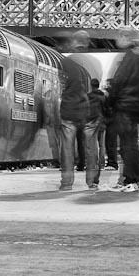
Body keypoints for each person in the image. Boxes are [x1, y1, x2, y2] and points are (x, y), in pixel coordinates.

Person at [106, 28, 139, 192]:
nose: (117, 39)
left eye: (118, 35)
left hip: (125, 106)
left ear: (125, 37)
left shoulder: (129, 57)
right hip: (136, 107)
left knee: (127, 146)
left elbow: (119, 81)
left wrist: (110, 99)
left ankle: (129, 181)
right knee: (132, 145)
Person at [59, 31, 97, 190]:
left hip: (69, 109)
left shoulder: (66, 62)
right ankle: (92, 182)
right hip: (88, 111)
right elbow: (95, 86)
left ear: (74, 42)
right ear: (87, 43)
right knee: (91, 148)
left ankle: (67, 184)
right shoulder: (93, 63)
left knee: (67, 148)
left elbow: (60, 85)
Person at [87, 78, 107, 185]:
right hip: (101, 124)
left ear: (91, 85)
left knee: (93, 148)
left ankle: (92, 167)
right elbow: (106, 110)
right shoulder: (103, 97)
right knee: (102, 146)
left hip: (91, 125)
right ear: (98, 85)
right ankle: (102, 164)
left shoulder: (88, 97)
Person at [103, 79, 118, 170]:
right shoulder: (115, 95)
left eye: (108, 84)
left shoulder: (111, 95)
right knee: (110, 142)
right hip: (114, 120)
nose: (106, 85)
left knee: (110, 142)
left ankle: (112, 163)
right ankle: (112, 162)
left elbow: (109, 108)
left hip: (112, 121)